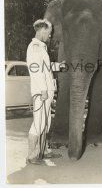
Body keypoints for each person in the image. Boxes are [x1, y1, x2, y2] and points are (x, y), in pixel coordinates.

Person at [26, 19, 64, 164]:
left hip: (46, 90)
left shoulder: (41, 47)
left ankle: (44, 151)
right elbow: (36, 71)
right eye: (48, 32)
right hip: (41, 92)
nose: (50, 36)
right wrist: (43, 90)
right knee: (38, 123)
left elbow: (44, 67)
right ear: (42, 30)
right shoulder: (35, 47)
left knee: (46, 122)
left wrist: (59, 65)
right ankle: (31, 156)